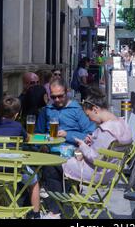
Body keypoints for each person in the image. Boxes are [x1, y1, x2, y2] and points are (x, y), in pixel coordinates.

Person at [36, 81, 96, 216]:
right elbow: (38, 134)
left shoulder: (77, 110)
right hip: (51, 152)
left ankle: (58, 206)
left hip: (73, 153)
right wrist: (42, 144)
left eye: (60, 96)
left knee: (55, 168)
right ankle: (55, 209)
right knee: (49, 167)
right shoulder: (47, 111)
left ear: (67, 91)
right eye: (54, 97)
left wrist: (68, 135)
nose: (57, 100)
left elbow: (89, 135)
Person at [0, 95, 43, 219]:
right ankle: (36, 214)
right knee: (34, 180)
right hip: (13, 170)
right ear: (17, 115)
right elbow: (27, 138)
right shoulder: (17, 127)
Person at [63, 87, 132, 184]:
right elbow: (103, 149)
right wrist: (93, 140)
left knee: (55, 165)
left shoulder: (106, 131)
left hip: (95, 174)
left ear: (95, 110)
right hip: (108, 172)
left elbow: (95, 157)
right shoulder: (122, 124)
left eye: (88, 115)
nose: (89, 119)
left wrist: (82, 145)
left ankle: (57, 197)